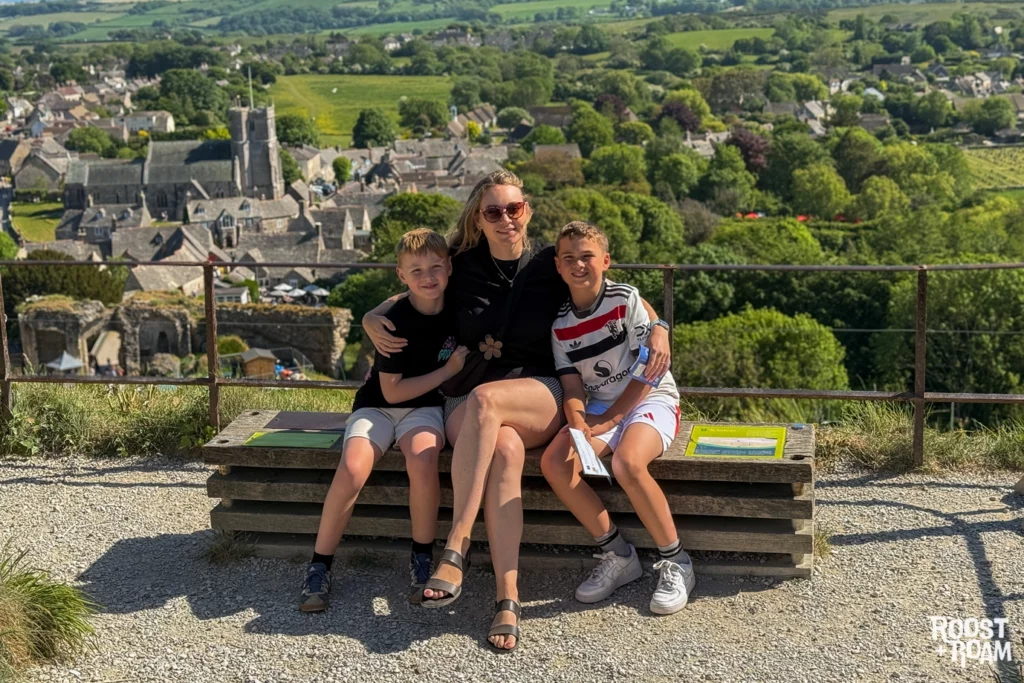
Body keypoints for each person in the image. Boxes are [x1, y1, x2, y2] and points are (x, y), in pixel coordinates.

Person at [362, 170, 672, 651]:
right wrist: (369, 316)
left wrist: (660, 326)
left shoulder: (551, 263)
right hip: (469, 399)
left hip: (539, 391)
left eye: (514, 209)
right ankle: (508, 598)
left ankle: (457, 546)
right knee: (503, 447)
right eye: (493, 211)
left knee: (493, 405)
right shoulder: (461, 265)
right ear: (478, 219)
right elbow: (410, 291)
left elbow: (621, 292)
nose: (505, 218)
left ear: (527, 210)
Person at [300, 228, 468, 612]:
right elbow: (392, 393)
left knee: (423, 459)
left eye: (435, 268)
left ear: (449, 269)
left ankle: (422, 556)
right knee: (354, 468)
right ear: (401, 275)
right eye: (417, 270)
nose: (428, 277)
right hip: (378, 404)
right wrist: (447, 372)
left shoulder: (456, 308)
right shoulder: (393, 319)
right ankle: (319, 564)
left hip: (424, 409)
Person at [540, 221, 695, 615]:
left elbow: (649, 371)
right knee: (555, 462)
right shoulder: (560, 326)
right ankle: (618, 554)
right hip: (600, 406)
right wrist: (577, 419)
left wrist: (610, 419)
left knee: (627, 462)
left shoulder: (625, 300)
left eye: (587, 256)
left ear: (605, 261)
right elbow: (572, 386)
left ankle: (676, 561)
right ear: (558, 266)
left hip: (650, 398)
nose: (579, 265)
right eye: (569, 258)